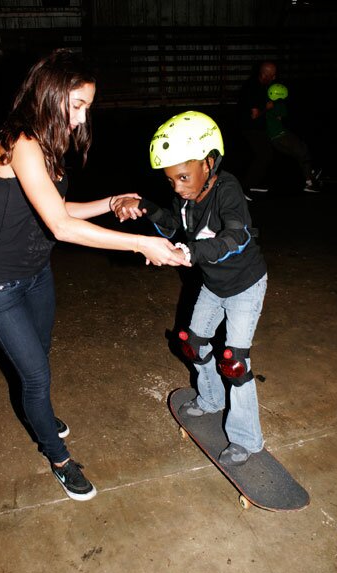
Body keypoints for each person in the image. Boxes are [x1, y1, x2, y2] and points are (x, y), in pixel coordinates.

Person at [0, 48, 191, 502]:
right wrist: (141, 243)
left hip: (35, 276)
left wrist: (110, 203)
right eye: (77, 107)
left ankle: (40, 412)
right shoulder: (23, 143)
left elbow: (59, 207)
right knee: (34, 378)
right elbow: (61, 226)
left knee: (39, 361)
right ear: (51, 96)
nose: (81, 119)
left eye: (87, 108)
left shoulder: (46, 144)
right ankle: (59, 458)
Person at [111, 111, 268, 466]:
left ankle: (246, 439)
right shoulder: (185, 196)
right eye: (171, 181)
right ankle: (211, 400)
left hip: (244, 285)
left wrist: (191, 252)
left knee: (236, 363)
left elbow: (237, 236)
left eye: (183, 177)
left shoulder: (227, 191)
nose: (178, 188)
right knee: (195, 345)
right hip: (213, 284)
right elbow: (173, 227)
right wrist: (146, 207)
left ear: (209, 162)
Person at [266, 82, 320, 193]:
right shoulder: (279, 105)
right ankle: (310, 181)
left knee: (299, 154)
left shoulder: (267, 104)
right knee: (303, 151)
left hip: (274, 140)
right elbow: (283, 116)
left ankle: (310, 173)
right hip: (282, 135)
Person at [237, 60, 277, 199]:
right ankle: (244, 188)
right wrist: (267, 108)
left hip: (254, 127)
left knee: (265, 155)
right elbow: (254, 115)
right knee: (264, 155)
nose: (274, 78)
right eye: (272, 75)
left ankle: (254, 183)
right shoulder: (254, 87)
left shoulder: (259, 84)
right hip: (250, 127)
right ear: (265, 75)